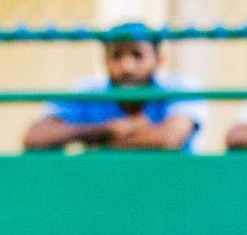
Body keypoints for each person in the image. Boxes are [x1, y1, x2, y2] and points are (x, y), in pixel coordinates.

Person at [22, 25, 206, 153]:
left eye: (137, 55)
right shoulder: (87, 90)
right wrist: (112, 129)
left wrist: (96, 144)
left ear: (159, 59)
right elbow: (35, 137)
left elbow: (168, 139)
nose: (127, 67)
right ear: (104, 60)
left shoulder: (181, 86)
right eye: (117, 56)